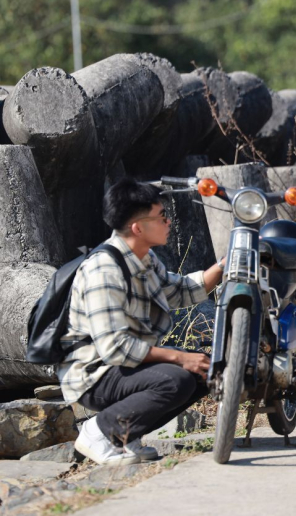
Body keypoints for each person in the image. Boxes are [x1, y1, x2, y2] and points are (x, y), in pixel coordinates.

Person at [58, 178, 225, 465]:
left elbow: (181, 290)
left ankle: (125, 436)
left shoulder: (145, 259)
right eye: (161, 216)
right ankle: (98, 432)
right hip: (94, 374)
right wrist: (180, 357)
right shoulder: (104, 270)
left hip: (124, 366)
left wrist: (225, 265)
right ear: (138, 227)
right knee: (177, 378)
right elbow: (115, 348)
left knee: (204, 372)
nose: (168, 221)